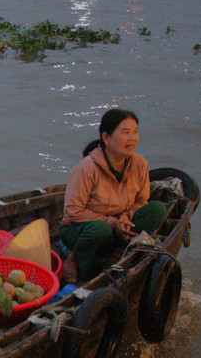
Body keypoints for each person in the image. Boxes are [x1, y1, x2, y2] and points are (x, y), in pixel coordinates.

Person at [60, 108, 167, 281]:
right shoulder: (87, 168)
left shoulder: (140, 164)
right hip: (83, 229)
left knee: (157, 209)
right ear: (106, 138)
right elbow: (73, 212)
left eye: (135, 132)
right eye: (126, 133)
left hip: (119, 227)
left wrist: (125, 217)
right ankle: (77, 261)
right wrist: (112, 223)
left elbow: (141, 201)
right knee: (100, 229)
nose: (132, 139)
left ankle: (118, 251)